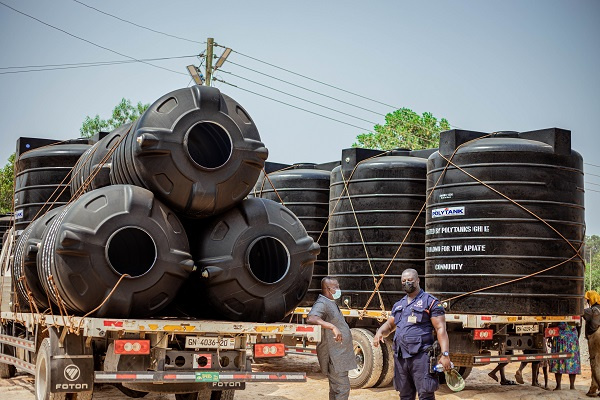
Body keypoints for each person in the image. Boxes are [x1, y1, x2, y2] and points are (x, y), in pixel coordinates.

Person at [372, 268, 451, 400]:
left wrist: (445, 355)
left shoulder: (430, 302)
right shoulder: (399, 305)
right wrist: (380, 332)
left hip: (421, 357)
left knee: (425, 394)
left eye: (410, 280)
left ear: (418, 280)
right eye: (403, 281)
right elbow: (390, 325)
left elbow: (441, 329)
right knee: (404, 395)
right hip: (401, 357)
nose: (406, 283)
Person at [306, 277, 357, 400]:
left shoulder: (330, 302)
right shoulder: (322, 303)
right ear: (328, 289)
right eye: (336, 287)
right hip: (334, 357)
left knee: (336, 389)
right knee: (343, 389)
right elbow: (311, 318)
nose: (339, 289)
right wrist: (332, 326)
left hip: (340, 355)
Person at [548, 322, 581, 391]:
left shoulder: (558, 312)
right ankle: (572, 386)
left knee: (558, 361)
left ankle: (558, 386)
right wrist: (576, 338)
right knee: (572, 361)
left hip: (559, 339)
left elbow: (553, 324)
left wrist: (549, 337)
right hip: (572, 339)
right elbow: (579, 326)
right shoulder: (576, 313)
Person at [583, 290, 600, 397]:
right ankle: (593, 388)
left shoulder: (590, 311)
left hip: (596, 336)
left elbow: (579, 311)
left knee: (595, 363)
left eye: (588, 300)